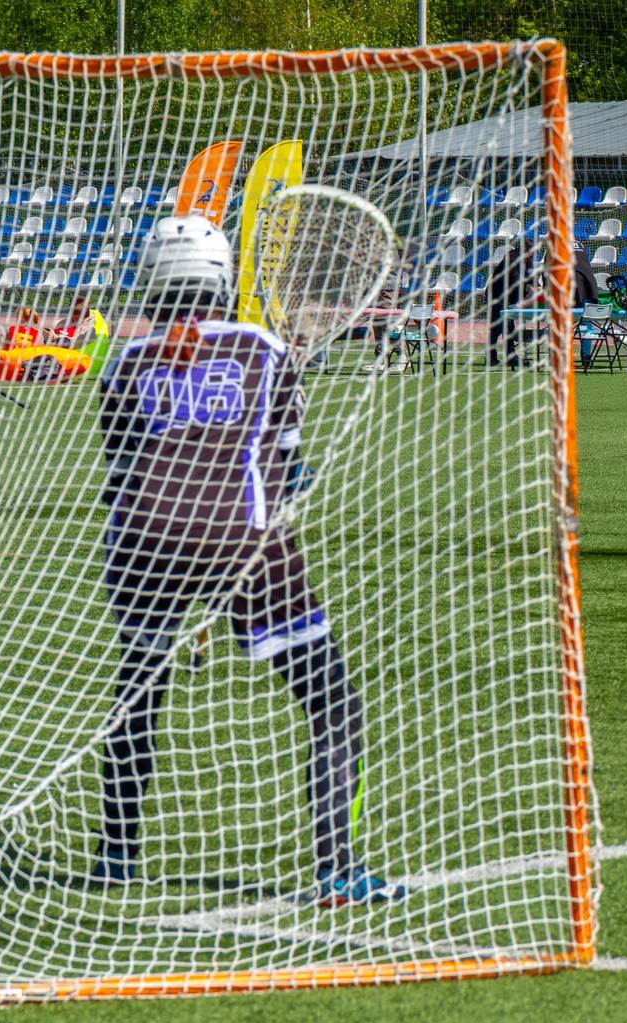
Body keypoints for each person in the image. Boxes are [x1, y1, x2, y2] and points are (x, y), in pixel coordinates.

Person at [94, 215, 403, 904]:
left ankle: (116, 853)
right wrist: (291, 479)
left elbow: (122, 466)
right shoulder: (264, 349)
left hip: (142, 545)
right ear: (221, 278)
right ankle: (337, 868)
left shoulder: (126, 360)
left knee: (139, 691)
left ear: (152, 281)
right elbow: (285, 464)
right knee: (333, 702)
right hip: (246, 544)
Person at [486, 239, 539, 369]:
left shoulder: (526, 261)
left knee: (501, 328)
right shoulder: (511, 261)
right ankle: (507, 358)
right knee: (503, 328)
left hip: (506, 298)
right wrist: (524, 298)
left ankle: (496, 358)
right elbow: (516, 284)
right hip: (496, 296)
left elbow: (531, 278)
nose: (533, 255)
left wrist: (536, 286)